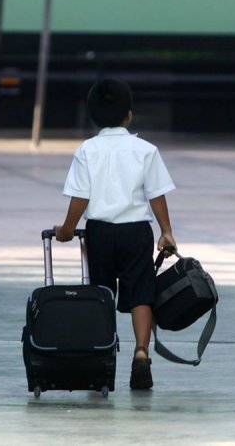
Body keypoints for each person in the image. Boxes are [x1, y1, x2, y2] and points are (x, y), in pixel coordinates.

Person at [53, 79, 178, 390]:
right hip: (137, 232)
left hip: (100, 232)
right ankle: (141, 353)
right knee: (141, 293)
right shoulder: (146, 150)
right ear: (129, 115)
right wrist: (166, 231)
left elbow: (80, 197)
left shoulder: (87, 150)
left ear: (94, 115)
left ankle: (102, 356)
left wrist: (67, 229)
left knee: (101, 293)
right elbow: (156, 194)